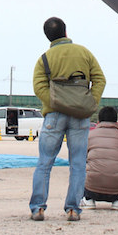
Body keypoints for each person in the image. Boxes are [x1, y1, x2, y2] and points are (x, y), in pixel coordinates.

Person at [29, 17, 106, 222]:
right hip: (81, 115)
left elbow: (38, 86)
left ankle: (38, 208)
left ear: (47, 36)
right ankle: (73, 209)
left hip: (54, 115)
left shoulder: (44, 58)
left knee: (45, 162)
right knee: (78, 164)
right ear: (65, 31)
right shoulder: (84, 53)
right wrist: (90, 102)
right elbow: (99, 79)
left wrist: (56, 102)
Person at [80, 106, 118, 210]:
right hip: (116, 191)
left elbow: (83, 157)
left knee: (88, 162)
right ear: (115, 121)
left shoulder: (90, 135)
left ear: (98, 121)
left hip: (91, 188)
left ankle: (87, 199)